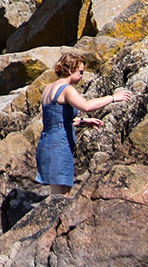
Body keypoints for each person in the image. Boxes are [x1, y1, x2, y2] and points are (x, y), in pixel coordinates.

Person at [35, 53, 131, 195]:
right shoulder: (66, 89)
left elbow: (55, 121)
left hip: (47, 143)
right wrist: (113, 98)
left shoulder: (48, 89)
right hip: (59, 146)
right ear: (70, 70)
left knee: (60, 193)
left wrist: (83, 121)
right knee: (60, 196)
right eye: (80, 72)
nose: (81, 76)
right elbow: (86, 106)